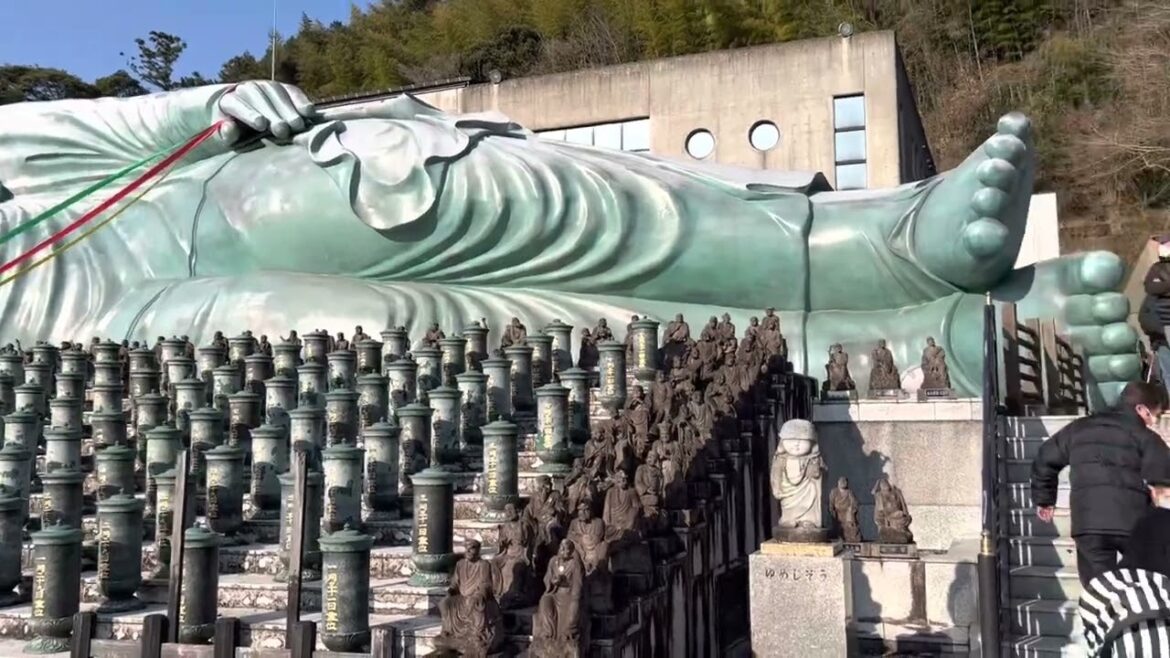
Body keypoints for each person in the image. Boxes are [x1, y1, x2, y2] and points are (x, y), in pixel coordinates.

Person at [1032, 381, 1170, 585]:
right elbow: (1163, 478)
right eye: (1154, 415)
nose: (1154, 422)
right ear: (1140, 409)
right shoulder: (1146, 438)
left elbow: (1045, 457)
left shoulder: (1078, 429)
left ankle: (1102, 614)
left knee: (1098, 588)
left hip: (1089, 525)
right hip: (1132, 522)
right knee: (1141, 583)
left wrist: (1045, 499)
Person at [1140, 237, 1170, 393]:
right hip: (1164, 325)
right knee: (1166, 365)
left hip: (1160, 327)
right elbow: (1151, 287)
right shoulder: (1156, 269)